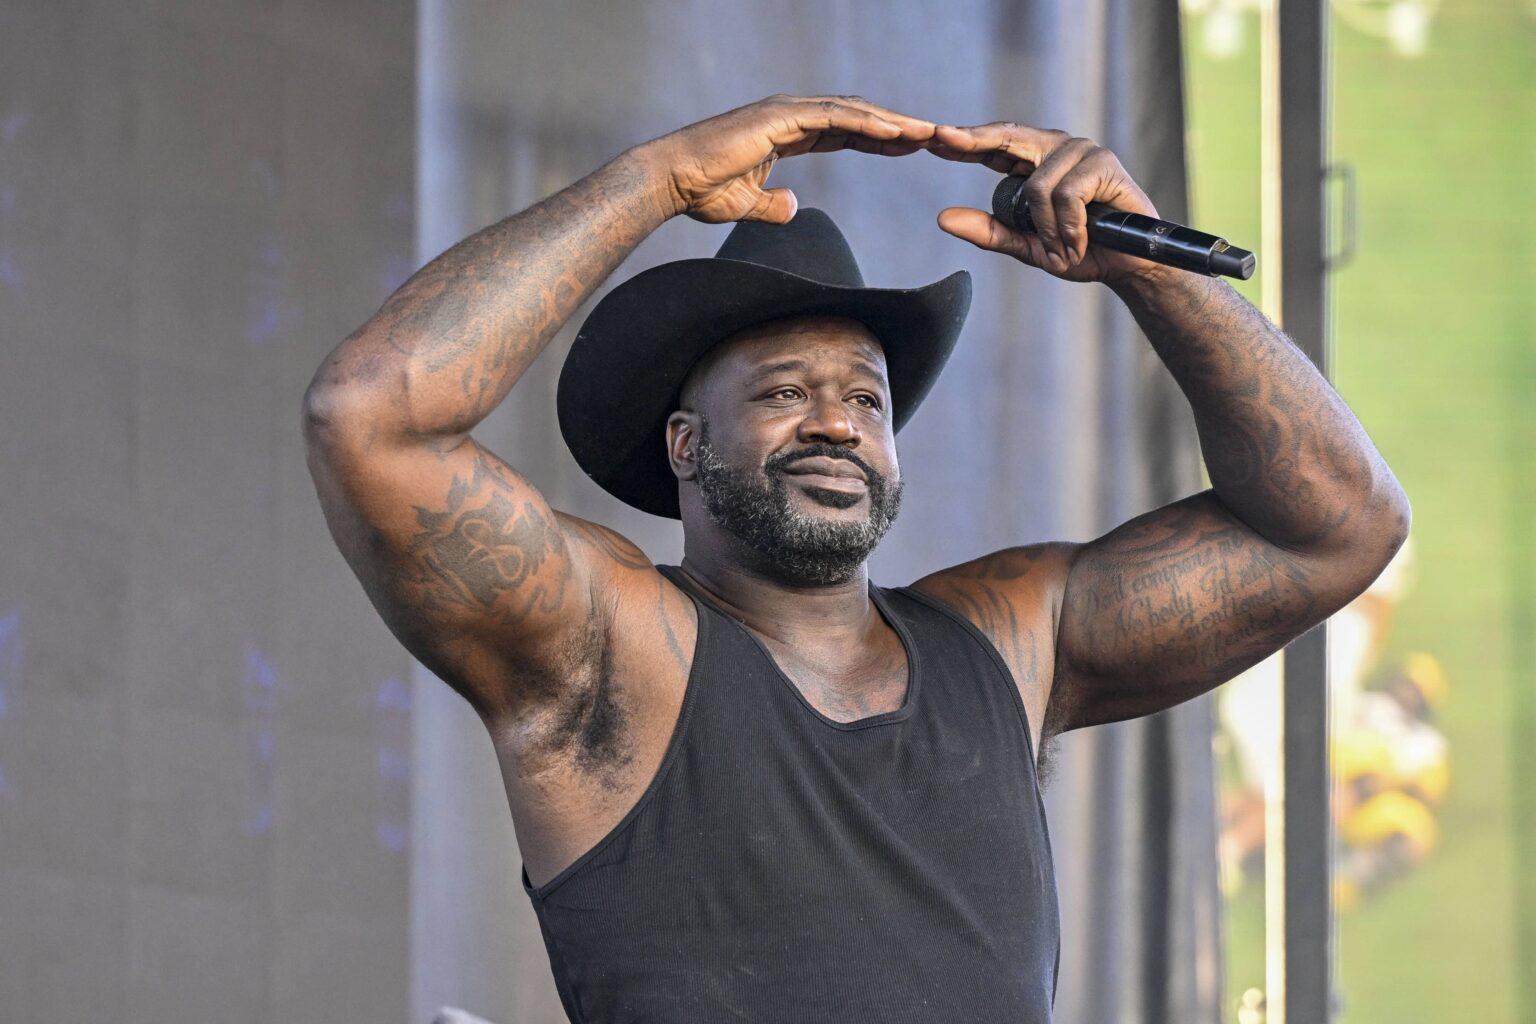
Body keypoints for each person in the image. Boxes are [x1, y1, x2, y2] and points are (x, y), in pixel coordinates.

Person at [303, 95, 1410, 1022]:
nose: (835, 423)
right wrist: (653, 181)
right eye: (785, 393)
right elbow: (371, 420)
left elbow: (1338, 524)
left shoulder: (1011, 638)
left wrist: (1149, 266)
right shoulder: (609, 642)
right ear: (686, 445)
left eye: (866, 399)